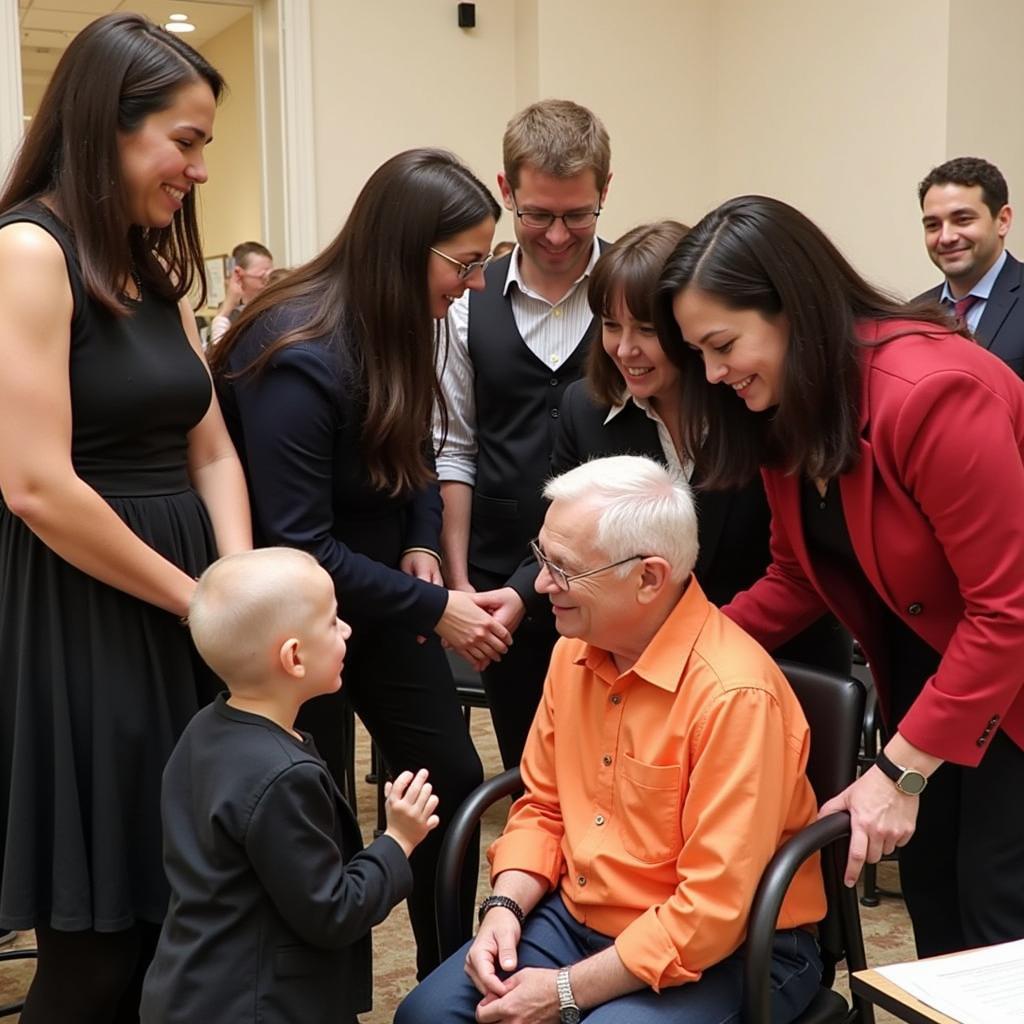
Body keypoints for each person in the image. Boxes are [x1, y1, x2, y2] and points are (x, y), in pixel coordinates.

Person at [656, 194, 1024, 957]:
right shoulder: (793, 403)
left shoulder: (932, 394)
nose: (715, 373)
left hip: (1007, 681)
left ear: (791, 308)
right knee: (934, 901)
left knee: (998, 913)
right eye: (699, 356)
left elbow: (1008, 610)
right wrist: (670, 644)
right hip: (932, 680)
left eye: (723, 345)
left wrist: (901, 770)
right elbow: (798, 577)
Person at [0, 13, 251, 1022]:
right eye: (182, 141)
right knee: (97, 946)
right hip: (87, 614)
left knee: (173, 927)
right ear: (109, 125)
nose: (196, 169)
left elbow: (214, 445)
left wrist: (240, 583)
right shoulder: (28, 253)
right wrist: (200, 600)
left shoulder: (156, 269)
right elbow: (36, 486)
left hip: (189, 610)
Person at [209, 147, 510, 978]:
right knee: (319, 800)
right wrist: (436, 608)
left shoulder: (402, 322)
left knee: (446, 774)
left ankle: (449, 976)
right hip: (299, 622)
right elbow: (300, 544)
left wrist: (421, 543)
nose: (475, 285)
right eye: (467, 263)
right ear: (406, 247)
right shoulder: (294, 346)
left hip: (379, 597)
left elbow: (412, 450)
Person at [397, 456, 825, 1024]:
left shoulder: (735, 696)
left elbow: (710, 914)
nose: (542, 583)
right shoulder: (572, 649)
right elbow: (543, 808)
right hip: (579, 916)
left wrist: (565, 991)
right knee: (426, 1016)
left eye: (564, 568)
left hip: (736, 950)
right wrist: (504, 908)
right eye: (541, 556)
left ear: (649, 576)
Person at [140, 548, 439, 1024]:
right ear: (294, 657)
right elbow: (332, 912)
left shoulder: (205, 727)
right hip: (259, 1004)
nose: (347, 630)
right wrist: (398, 840)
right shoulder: (284, 776)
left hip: (192, 983)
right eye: (334, 621)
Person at [547, 219, 850, 671]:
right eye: (612, 326)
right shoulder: (583, 410)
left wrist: (690, 650)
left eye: (647, 330)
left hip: (773, 663)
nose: (625, 349)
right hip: (636, 670)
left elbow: (806, 572)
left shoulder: (763, 406)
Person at [435, 98, 613, 769]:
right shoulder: (465, 303)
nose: (560, 235)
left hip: (612, 585)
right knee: (530, 776)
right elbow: (456, 448)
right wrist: (459, 585)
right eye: (538, 215)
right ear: (506, 190)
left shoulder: (635, 293)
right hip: (496, 581)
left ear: (606, 190)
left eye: (579, 215)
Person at [917, 157, 1024, 376]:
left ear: (1002, 220)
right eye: (933, 225)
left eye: (963, 219)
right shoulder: (913, 315)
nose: (946, 237)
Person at [209, 240, 274, 344]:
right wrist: (226, 309)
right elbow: (217, 354)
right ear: (238, 274)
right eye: (263, 277)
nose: (269, 283)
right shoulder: (230, 315)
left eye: (271, 276)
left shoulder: (275, 309)